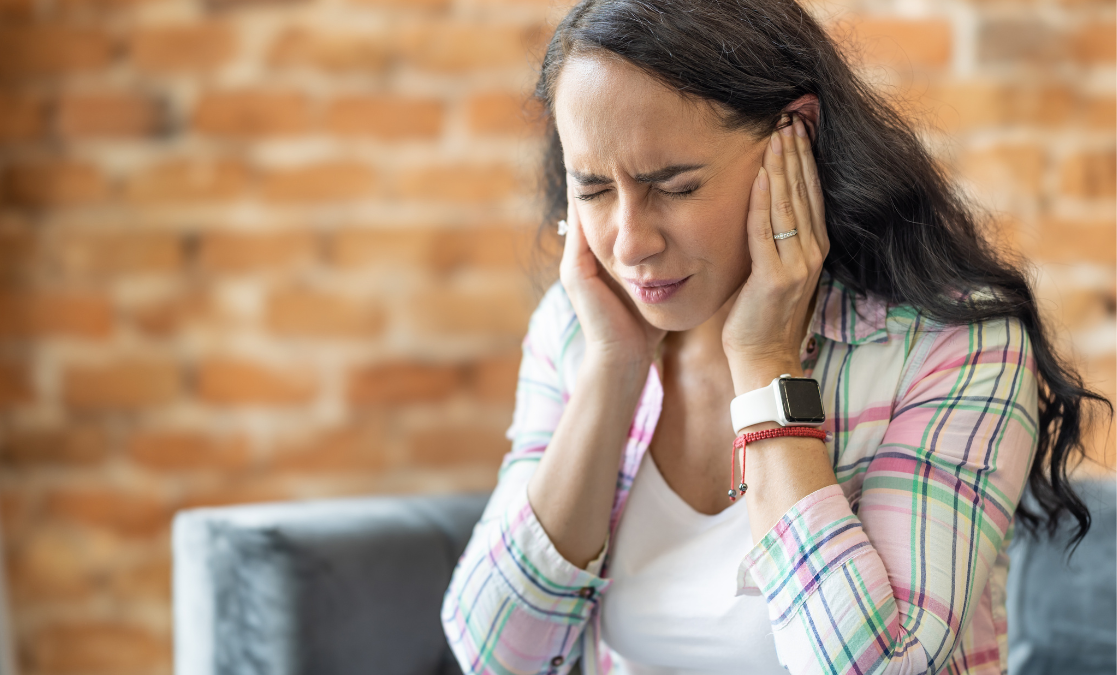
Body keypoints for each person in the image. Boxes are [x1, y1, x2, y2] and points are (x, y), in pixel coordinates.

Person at [440, 0, 1109, 673]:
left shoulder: (955, 346)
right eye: (593, 190)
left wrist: (766, 365)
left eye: (674, 186)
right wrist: (612, 369)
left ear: (794, 133)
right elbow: (493, 652)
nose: (630, 242)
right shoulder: (578, 326)